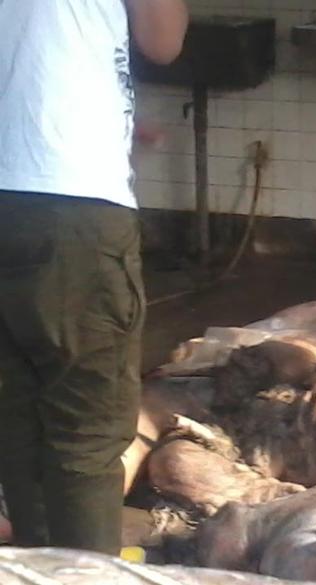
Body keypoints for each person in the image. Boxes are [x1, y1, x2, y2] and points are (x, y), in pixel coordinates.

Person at [0, 0, 188, 554]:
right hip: (70, 202)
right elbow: (164, 39)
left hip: (16, 193)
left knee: (19, 416)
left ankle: (39, 570)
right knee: (85, 431)